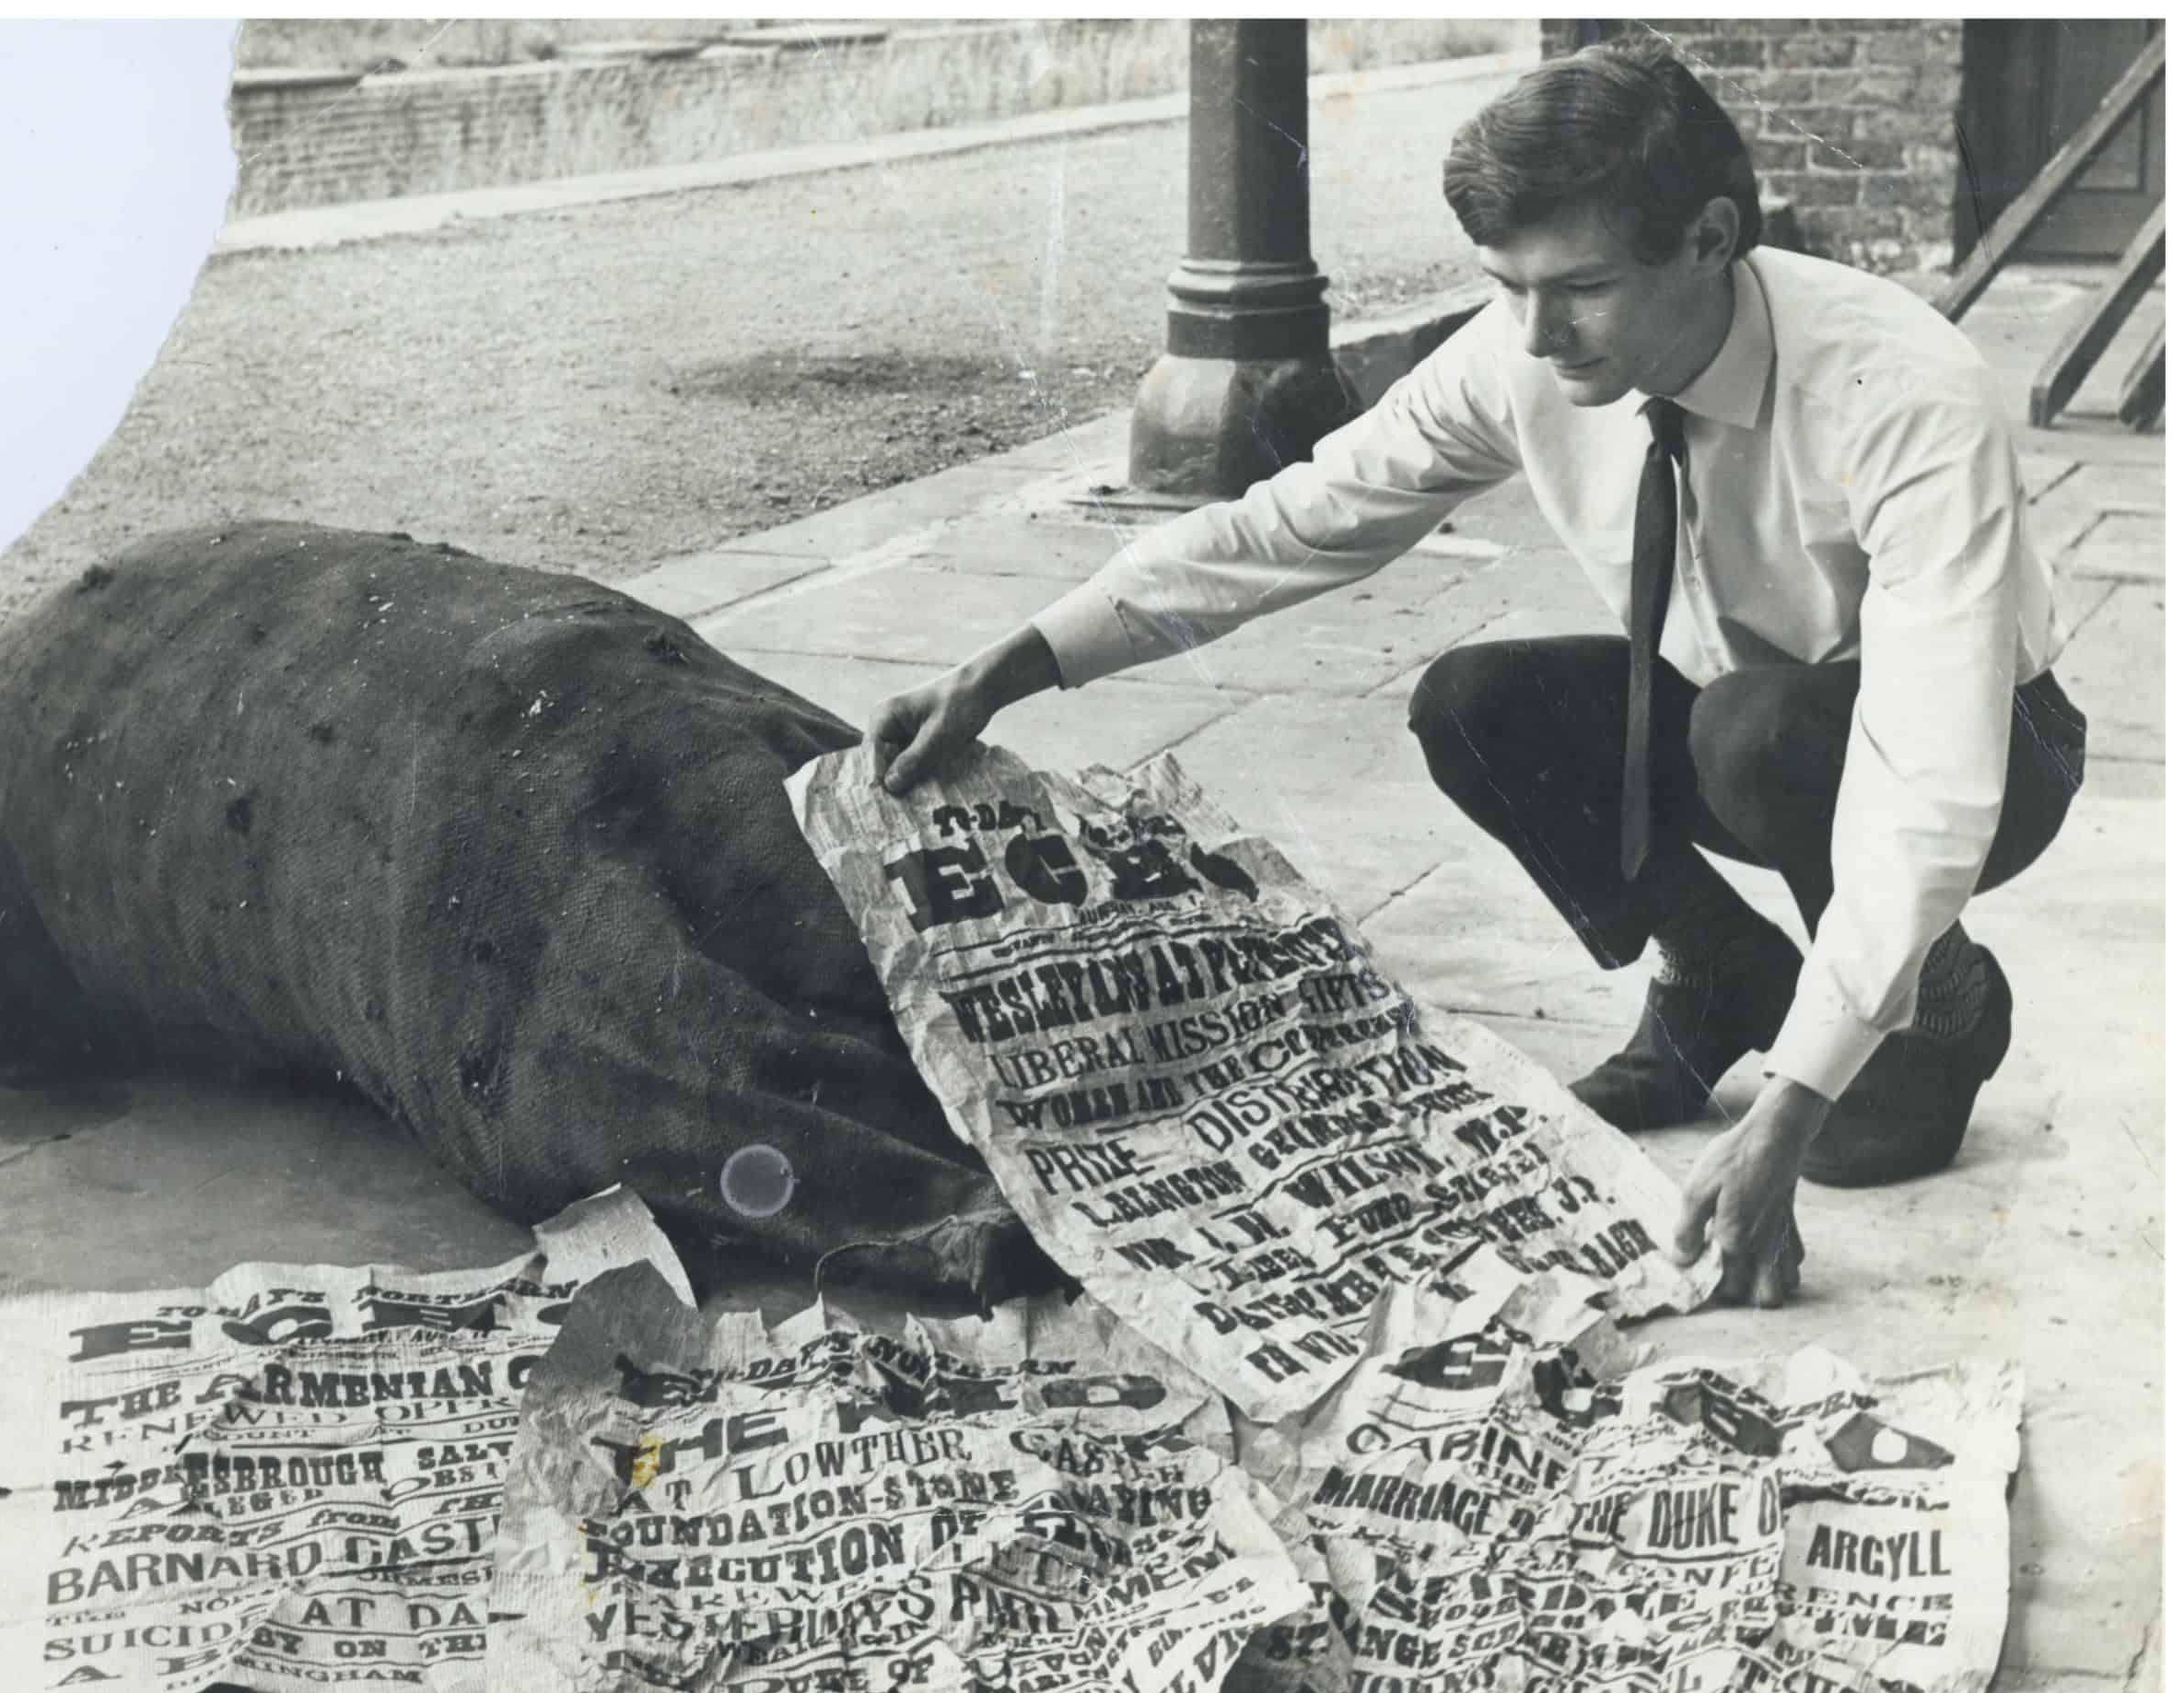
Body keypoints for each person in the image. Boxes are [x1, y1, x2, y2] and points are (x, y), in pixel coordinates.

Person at [866, 42, 2085, 1311]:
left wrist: (1796, 1101)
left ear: (1713, 236)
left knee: (1753, 735)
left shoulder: (1903, 391)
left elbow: (1932, 776)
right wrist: (1026, 656)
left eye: (1584, 289)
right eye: (1508, 288)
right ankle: (1716, 969)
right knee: (1476, 703)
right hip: (1751, 711)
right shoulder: (1530, 347)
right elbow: (1299, 519)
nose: (1539, 335)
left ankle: (1938, 997)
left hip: (1994, 745)